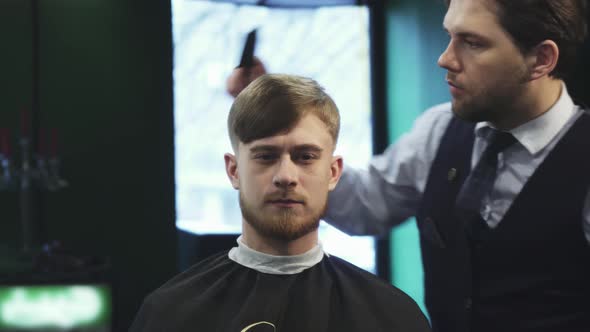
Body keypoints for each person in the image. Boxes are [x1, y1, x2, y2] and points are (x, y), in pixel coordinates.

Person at [323, 0, 590, 332]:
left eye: (472, 42)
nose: (445, 59)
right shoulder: (439, 129)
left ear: (541, 59)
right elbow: (365, 204)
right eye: (449, 36)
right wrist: (282, 129)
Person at [130, 74, 431, 332]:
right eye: (266, 156)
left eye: (305, 157)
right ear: (233, 170)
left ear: (333, 171)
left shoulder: (392, 318)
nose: (286, 176)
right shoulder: (170, 314)